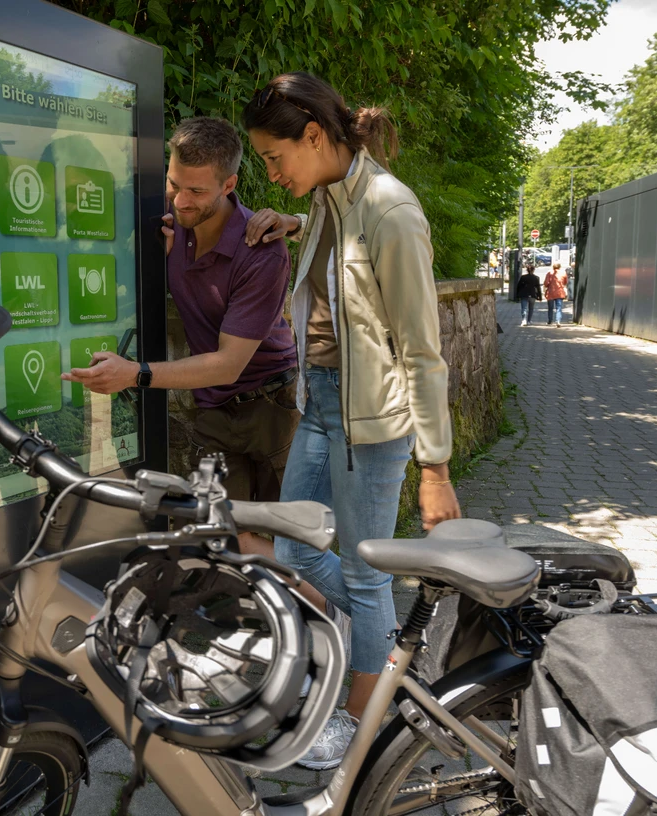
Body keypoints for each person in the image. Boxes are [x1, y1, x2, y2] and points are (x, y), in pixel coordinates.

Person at [240, 72, 461, 769]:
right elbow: (343, 266)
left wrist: (435, 468)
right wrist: (296, 225)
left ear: (313, 136)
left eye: (274, 158)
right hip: (320, 402)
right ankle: (389, 638)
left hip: (373, 419)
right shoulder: (329, 199)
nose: (271, 174)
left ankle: (363, 722)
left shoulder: (393, 211)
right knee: (296, 549)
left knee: (364, 577)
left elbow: (422, 351)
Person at [62, 116, 341, 625]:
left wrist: (136, 374)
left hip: (272, 406)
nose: (181, 199)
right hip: (214, 409)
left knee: (293, 538)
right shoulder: (172, 229)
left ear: (229, 185)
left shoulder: (262, 249)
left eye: (196, 191)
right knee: (222, 531)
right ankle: (294, 623)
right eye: (174, 184)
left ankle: (335, 619)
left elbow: (229, 363)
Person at [544, 262, 568, 326]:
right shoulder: (563, 273)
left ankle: (550, 321)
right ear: (559, 267)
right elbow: (565, 282)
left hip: (551, 293)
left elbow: (546, 283)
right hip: (560, 292)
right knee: (559, 308)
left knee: (550, 308)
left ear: (553, 267)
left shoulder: (549, 273)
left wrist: (549, 285)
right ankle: (558, 321)